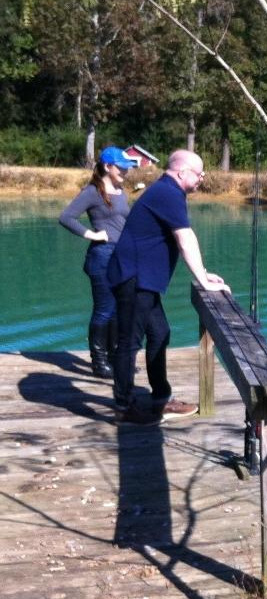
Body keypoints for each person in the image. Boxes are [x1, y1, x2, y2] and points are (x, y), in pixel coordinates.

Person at [107, 149, 230, 424]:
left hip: (144, 280)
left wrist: (204, 273)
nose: (202, 178)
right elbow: (185, 238)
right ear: (182, 172)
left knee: (160, 333)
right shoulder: (168, 193)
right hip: (134, 277)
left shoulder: (168, 192)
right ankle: (123, 406)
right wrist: (203, 280)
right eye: (199, 173)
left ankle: (161, 398)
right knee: (129, 342)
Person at [58, 147, 137, 378]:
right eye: (121, 167)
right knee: (104, 310)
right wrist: (92, 235)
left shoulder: (121, 190)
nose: (125, 171)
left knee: (117, 310)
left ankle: (115, 358)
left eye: (127, 167)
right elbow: (66, 217)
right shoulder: (93, 191)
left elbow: (125, 221)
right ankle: (99, 362)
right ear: (106, 166)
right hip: (102, 256)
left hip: (122, 256)